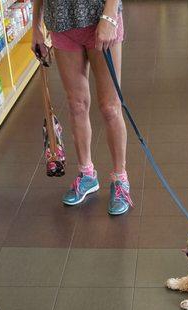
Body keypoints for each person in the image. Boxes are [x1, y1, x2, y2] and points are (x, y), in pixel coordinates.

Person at [32, 0, 132, 216]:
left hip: (100, 17)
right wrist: (36, 27)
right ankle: (87, 174)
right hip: (61, 23)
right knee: (76, 104)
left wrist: (110, 14)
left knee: (110, 107)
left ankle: (120, 179)